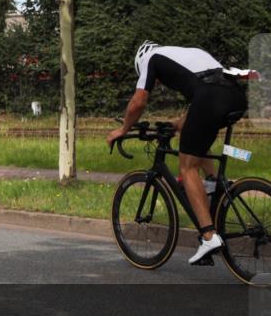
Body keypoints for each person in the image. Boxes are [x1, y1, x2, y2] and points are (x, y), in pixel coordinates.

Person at [106, 42, 249, 265]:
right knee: (196, 142)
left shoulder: (150, 58)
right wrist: (175, 125)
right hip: (236, 96)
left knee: (187, 167)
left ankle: (209, 236)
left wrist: (123, 129)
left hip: (210, 98)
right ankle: (213, 184)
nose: (158, 82)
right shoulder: (188, 54)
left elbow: (139, 101)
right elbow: (203, 101)